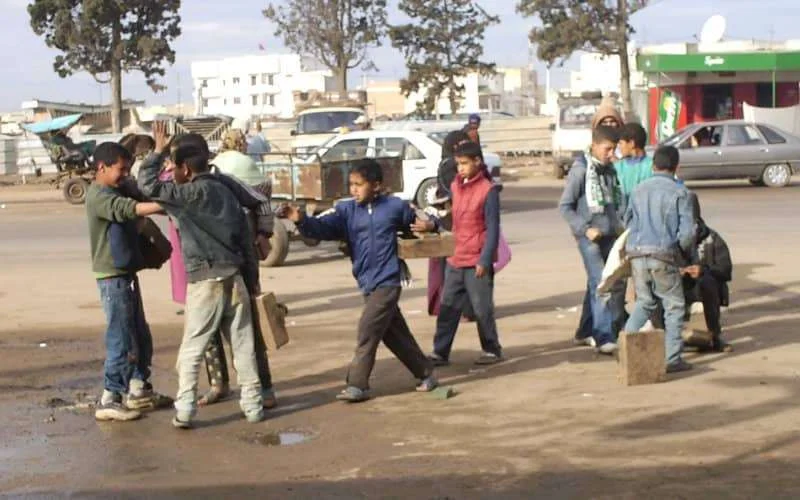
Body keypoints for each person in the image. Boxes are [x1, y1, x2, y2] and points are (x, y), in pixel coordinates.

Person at [138, 122, 264, 428]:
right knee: (243, 345)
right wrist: (252, 275)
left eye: (173, 165)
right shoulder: (227, 189)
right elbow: (251, 219)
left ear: (184, 168)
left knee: (193, 347)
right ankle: (254, 406)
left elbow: (147, 184)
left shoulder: (186, 194)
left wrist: (156, 151)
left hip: (204, 279)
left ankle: (185, 409)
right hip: (233, 276)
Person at [280, 159, 438, 403]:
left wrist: (431, 224)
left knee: (367, 330)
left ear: (375, 185)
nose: (353, 189)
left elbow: (423, 220)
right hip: (366, 281)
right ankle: (425, 373)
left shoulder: (395, 207)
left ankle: (357, 385)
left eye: (359, 184)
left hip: (388, 280)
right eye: (351, 184)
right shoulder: (345, 211)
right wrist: (300, 219)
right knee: (393, 333)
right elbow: (320, 228)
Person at [159, 132, 278, 410]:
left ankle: (257, 388)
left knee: (229, 335)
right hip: (220, 263)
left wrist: (262, 232)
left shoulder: (213, 184)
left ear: (184, 164)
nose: (169, 167)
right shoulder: (194, 186)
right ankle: (235, 390)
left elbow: (260, 198)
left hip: (223, 265)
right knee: (228, 333)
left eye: (172, 161)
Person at [86, 142, 170, 422]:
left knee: (139, 333)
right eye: (121, 169)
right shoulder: (98, 196)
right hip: (112, 277)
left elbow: (139, 192)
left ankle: (138, 390)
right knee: (121, 337)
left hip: (125, 274)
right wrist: (165, 205)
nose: (125, 174)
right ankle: (110, 396)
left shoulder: (118, 187)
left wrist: (159, 156)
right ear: (102, 168)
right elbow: (127, 209)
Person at [623, 146, 696, 374]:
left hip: (636, 254)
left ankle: (625, 348)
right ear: (677, 167)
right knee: (673, 306)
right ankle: (672, 358)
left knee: (644, 303)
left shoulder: (637, 190)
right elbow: (687, 233)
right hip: (663, 255)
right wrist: (681, 254)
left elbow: (627, 221)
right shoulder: (680, 193)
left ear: (653, 165)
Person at [429, 141, 503, 366]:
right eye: (458, 164)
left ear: (477, 162)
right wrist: (433, 224)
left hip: (477, 260)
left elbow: (493, 228)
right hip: (456, 257)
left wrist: (484, 259)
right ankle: (440, 352)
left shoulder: (488, 191)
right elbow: (454, 220)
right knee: (448, 307)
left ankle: (491, 349)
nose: (460, 168)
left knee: (482, 309)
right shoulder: (455, 186)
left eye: (464, 164)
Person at [559, 126, 626, 354]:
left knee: (597, 284)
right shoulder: (581, 171)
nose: (611, 154)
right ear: (594, 145)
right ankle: (604, 336)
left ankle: (584, 330)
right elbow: (565, 207)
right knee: (602, 285)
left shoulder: (608, 170)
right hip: (589, 238)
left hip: (609, 234)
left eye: (614, 149)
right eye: (607, 149)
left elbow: (615, 201)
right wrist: (585, 229)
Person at [653, 193, 733, 353]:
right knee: (657, 283)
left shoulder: (711, 238)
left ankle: (715, 335)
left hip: (701, 286)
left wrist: (703, 270)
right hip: (675, 283)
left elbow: (726, 270)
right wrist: (677, 271)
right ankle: (661, 336)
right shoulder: (666, 238)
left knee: (709, 282)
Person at [615, 123, 653, 197]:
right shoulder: (618, 167)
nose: (619, 147)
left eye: (620, 143)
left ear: (632, 143)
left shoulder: (652, 166)